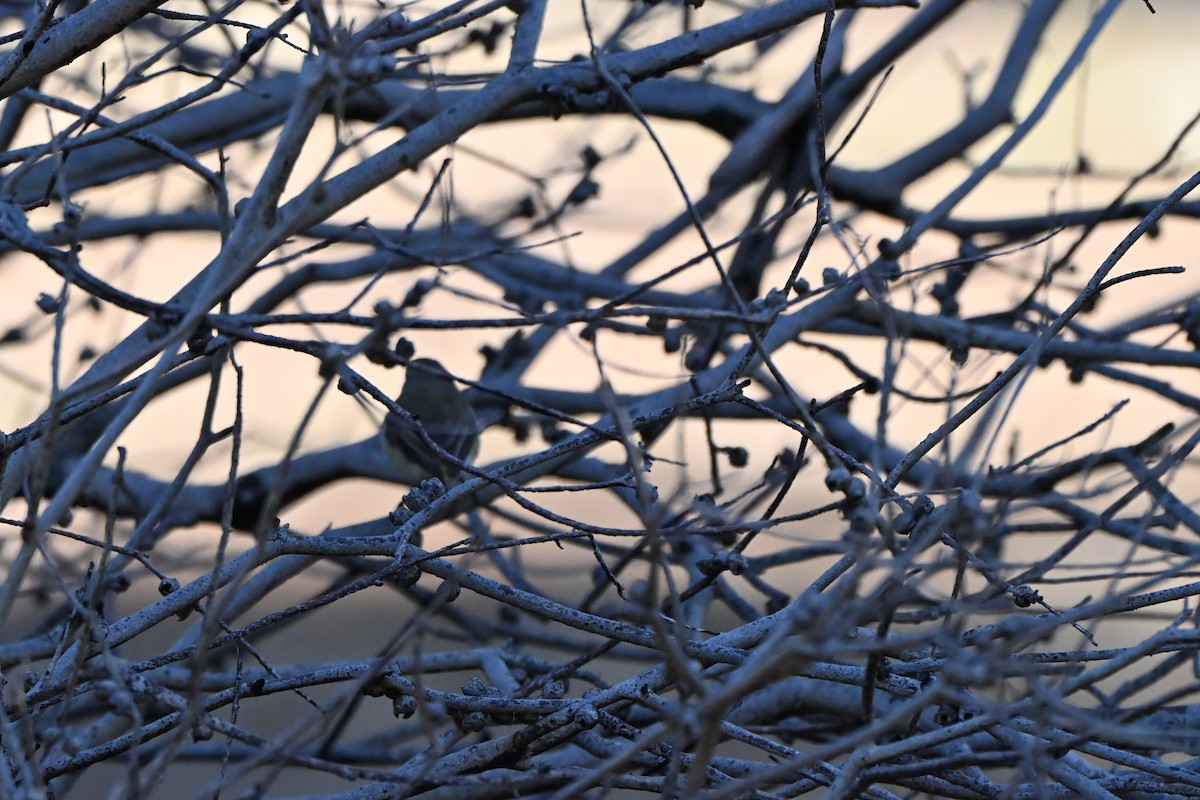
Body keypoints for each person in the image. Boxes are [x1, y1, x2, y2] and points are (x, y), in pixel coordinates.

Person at [382, 358, 480, 484]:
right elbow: (468, 435)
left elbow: (396, 436)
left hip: (418, 465)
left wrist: (434, 469)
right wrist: (452, 471)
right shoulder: (461, 406)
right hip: (456, 467)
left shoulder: (400, 407)